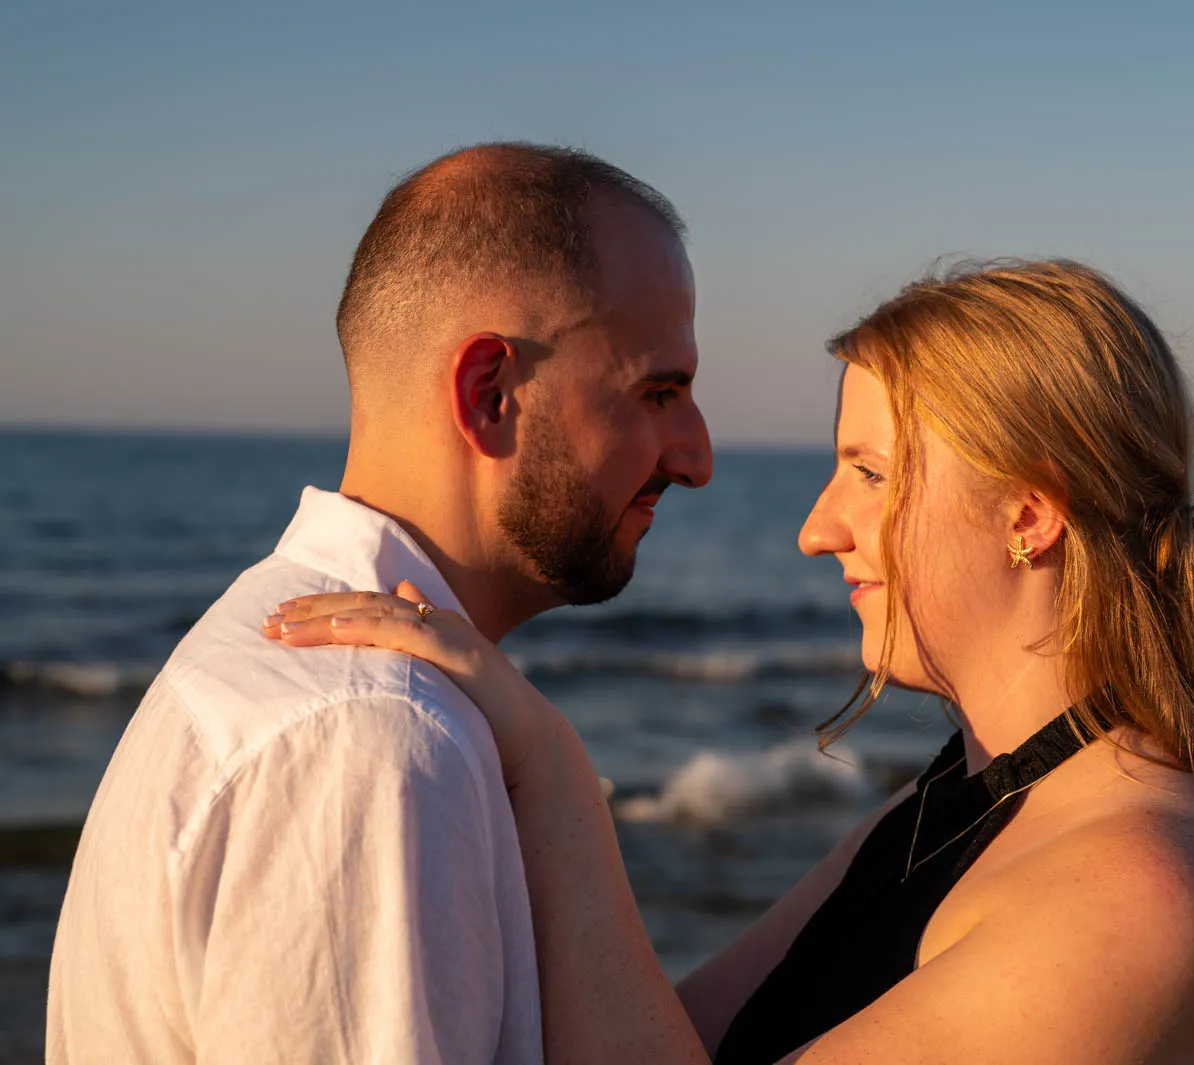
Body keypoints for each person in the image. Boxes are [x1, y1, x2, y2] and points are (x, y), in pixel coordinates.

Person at [271, 259, 1194, 1064]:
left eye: (870, 474)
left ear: (1028, 514)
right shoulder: (952, 803)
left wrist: (551, 769)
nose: (817, 530)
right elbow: (666, 1039)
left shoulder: (1135, 889)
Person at [46, 142, 712, 1063]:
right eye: (658, 392)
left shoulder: (329, 687)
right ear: (490, 394)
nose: (696, 458)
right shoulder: (370, 741)